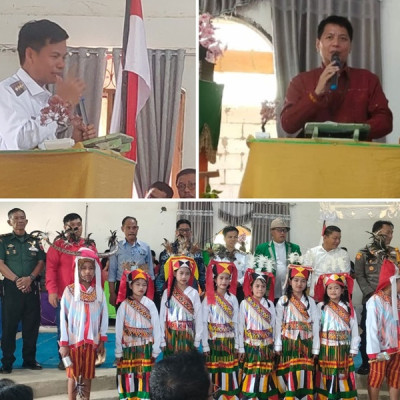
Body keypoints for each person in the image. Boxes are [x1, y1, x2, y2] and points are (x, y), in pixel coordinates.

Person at [280, 15, 392, 140]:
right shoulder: (300, 81)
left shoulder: (368, 79)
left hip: (356, 155)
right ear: (318, 44)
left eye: (343, 38)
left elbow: (385, 120)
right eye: (329, 37)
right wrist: (316, 94)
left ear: (350, 47)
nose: (336, 44)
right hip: (313, 156)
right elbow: (287, 124)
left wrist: (353, 131)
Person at [0, 19, 96, 150]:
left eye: (63, 58)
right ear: (30, 55)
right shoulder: (6, 93)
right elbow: (19, 142)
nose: (61, 64)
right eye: (55, 56)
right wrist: (60, 106)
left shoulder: (47, 98)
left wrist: (76, 141)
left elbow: (47, 154)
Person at [45, 212, 97, 370]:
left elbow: (96, 270)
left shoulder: (89, 246)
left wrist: (96, 292)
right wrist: (52, 291)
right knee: (64, 329)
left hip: (86, 296)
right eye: (71, 227)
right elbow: (51, 269)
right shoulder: (58, 246)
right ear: (64, 228)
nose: (75, 230)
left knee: (87, 327)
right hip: (64, 296)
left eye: (78, 226)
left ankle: (86, 357)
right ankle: (65, 360)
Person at [59, 248, 108, 400]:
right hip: (74, 342)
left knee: (87, 374)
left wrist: (101, 340)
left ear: (96, 270)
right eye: (84, 268)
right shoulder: (70, 291)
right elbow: (63, 318)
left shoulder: (98, 292)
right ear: (77, 270)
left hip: (91, 342)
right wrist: (64, 343)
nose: (87, 271)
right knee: (73, 375)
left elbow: (103, 317)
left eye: (91, 268)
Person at [0, 208, 45, 373]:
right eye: (16, 218)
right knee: (9, 326)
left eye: (22, 218)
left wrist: (30, 279)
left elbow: (41, 262)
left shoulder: (35, 241)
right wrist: (18, 280)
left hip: (31, 286)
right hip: (12, 288)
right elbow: (0, 263)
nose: (20, 220)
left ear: (26, 221)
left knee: (31, 326)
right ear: (9, 222)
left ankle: (29, 360)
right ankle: (7, 362)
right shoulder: (3, 241)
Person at [354, 220, 398, 375]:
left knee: (391, 332)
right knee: (369, 331)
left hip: (392, 301)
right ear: (377, 233)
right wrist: (371, 293)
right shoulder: (363, 253)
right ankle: (368, 363)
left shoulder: (395, 253)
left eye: (392, 233)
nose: (390, 236)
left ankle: (390, 361)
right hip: (371, 299)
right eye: (387, 233)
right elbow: (359, 275)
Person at [275, 265, 320, 400]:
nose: (299, 284)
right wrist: (277, 344)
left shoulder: (311, 302)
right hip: (288, 342)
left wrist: (316, 348)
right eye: (296, 280)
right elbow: (278, 323)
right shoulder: (283, 301)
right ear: (289, 281)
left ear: (307, 283)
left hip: (306, 343)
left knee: (304, 372)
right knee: (289, 371)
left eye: (303, 281)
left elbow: (316, 325)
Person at [115, 269, 161, 400]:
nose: (141, 287)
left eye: (144, 284)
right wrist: (119, 351)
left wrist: (155, 350)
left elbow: (156, 327)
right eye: (137, 284)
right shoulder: (124, 305)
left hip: (146, 348)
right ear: (130, 285)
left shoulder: (150, 304)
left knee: (145, 377)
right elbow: (118, 329)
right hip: (128, 348)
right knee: (129, 376)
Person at [313, 273, 360, 400]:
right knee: (327, 376)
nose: (333, 291)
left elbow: (354, 329)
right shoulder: (321, 306)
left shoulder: (348, 307)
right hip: (327, 348)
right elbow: (316, 328)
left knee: (343, 377)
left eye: (336, 288)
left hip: (343, 348)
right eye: (330, 288)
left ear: (343, 290)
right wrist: (316, 349)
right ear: (325, 290)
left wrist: (354, 347)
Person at [202, 259, 240, 399]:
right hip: (214, 341)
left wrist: (237, 344)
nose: (224, 281)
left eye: (227, 278)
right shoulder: (208, 298)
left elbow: (237, 323)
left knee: (227, 370)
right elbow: (203, 322)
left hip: (228, 341)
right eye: (221, 278)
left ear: (230, 280)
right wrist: (205, 345)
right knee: (214, 370)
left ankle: (228, 396)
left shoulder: (233, 299)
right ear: (215, 279)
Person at [239, 265, 278, 400]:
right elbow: (240, 326)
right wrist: (241, 347)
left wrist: (275, 345)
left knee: (264, 373)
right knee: (252, 372)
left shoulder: (270, 304)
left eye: (262, 286)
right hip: (251, 345)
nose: (260, 289)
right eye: (257, 286)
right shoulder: (245, 303)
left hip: (266, 346)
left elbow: (274, 326)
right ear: (251, 287)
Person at [365, 259, 400, 400]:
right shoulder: (375, 301)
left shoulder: (397, 299)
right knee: (376, 377)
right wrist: (374, 352)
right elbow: (372, 328)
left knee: (396, 377)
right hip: (382, 351)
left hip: (397, 348)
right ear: (392, 282)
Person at [155, 219, 205, 307]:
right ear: (176, 232)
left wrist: (203, 291)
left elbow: (201, 273)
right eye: (181, 230)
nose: (184, 233)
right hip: (171, 293)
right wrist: (160, 292)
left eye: (187, 230)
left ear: (191, 232)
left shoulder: (197, 252)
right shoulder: (167, 251)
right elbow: (162, 275)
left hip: (192, 292)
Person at [159, 255, 203, 356]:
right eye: (181, 273)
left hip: (188, 334)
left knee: (186, 365)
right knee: (171, 365)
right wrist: (162, 339)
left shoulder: (194, 293)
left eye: (187, 274)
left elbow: (198, 317)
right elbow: (162, 317)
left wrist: (197, 339)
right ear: (174, 273)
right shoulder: (167, 292)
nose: (184, 277)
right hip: (170, 334)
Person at [108, 216, 154, 308]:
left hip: (141, 286)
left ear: (137, 229)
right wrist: (112, 293)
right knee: (123, 316)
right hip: (122, 287)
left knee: (141, 314)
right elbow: (112, 273)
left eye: (134, 227)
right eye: (128, 228)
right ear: (122, 229)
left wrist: (151, 292)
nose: (131, 230)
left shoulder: (145, 247)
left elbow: (151, 273)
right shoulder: (116, 248)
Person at [255, 217, 301, 301]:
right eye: (279, 230)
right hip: (269, 288)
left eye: (284, 230)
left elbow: (299, 268)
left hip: (288, 288)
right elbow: (255, 269)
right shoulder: (262, 248)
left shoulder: (294, 248)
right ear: (272, 232)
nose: (282, 233)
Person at [305, 225, 351, 298]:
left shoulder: (343, 254)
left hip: (334, 297)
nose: (338, 241)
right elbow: (307, 274)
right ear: (325, 238)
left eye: (339, 238)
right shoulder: (312, 252)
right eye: (335, 238)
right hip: (315, 295)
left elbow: (345, 276)